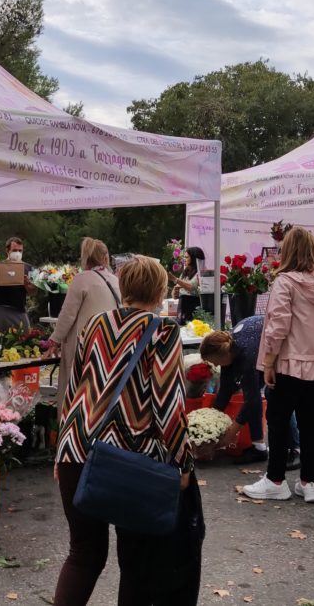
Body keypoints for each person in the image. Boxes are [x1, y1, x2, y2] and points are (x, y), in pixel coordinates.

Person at [55, 255, 201, 605]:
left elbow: (75, 388)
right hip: (131, 462)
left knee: (84, 554)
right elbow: (168, 406)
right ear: (162, 289)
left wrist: (62, 448)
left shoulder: (94, 324)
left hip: (78, 450)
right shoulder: (162, 330)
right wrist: (183, 463)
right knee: (136, 561)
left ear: (123, 287)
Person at [241, 228, 314, 504]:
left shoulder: (285, 282)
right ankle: (309, 482)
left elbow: (277, 325)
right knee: (310, 422)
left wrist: (269, 362)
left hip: (290, 361)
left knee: (278, 419)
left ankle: (275, 480)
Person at [201, 320, 301, 467]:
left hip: (284, 352)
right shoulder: (229, 352)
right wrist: (210, 423)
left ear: (223, 355)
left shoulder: (245, 356)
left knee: (277, 396)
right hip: (261, 349)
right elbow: (225, 391)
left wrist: (232, 431)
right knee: (251, 394)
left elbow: (253, 401)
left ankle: (296, 449)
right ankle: (259, 448)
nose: (215, 365)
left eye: (215, 361)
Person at [46, 237, 122, 408]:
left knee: (76, 393)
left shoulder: (82, 279)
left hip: (83, 344)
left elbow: (67, 315)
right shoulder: (115, 280)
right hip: (109, 344)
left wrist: (55, 340)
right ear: (105, 257)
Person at [0, 236, 36, 335]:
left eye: (20, 251)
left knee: (25, 337)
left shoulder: (29, 268)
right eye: (14, 250)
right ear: (7, 251)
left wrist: (26, 284)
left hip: (18, 310)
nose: (17, 253)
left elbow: (33, 292)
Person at [171, 246, 206, 323]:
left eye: (186, 257)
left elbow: (192, 287)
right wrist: (174, 292)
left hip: (193, 308)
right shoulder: (185, 272)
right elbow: (175, 295)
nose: (184, 259)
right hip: (182, 307)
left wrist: (175, 279)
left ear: (194, 259)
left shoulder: (201, 272)